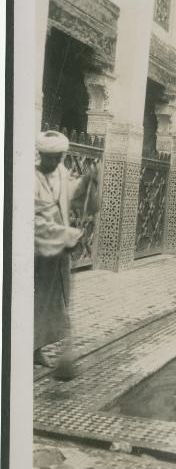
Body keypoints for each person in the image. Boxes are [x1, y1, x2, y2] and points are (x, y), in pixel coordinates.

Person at [34, 130, 100, 380]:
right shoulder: (29, 179)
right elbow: (34, 221)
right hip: (37, 248)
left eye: (58, 158)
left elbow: (74, 195)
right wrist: (67, 235)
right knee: (36, 297)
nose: (55, 163)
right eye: (50, 158)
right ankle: (30, 348)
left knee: (53, 299)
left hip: (58, 248)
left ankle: (37, 348)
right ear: (41, 155)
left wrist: (87, 182)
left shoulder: (61, 174)